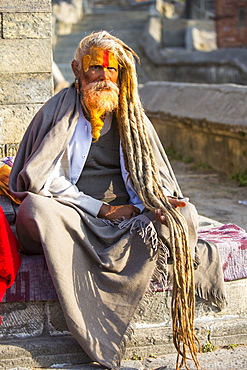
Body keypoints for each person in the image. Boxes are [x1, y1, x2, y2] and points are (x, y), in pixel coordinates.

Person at [9, 31, 225, 369]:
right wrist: (102, 208)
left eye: (113, 71)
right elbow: (38, 180)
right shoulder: (57, 112)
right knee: (36, 209)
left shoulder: (134, 118)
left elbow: (157, 180)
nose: (105, 78)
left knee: (186, 216)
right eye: (96, 68)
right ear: (77, 70)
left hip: (129, 221)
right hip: (74, 218)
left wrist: (158, 203)